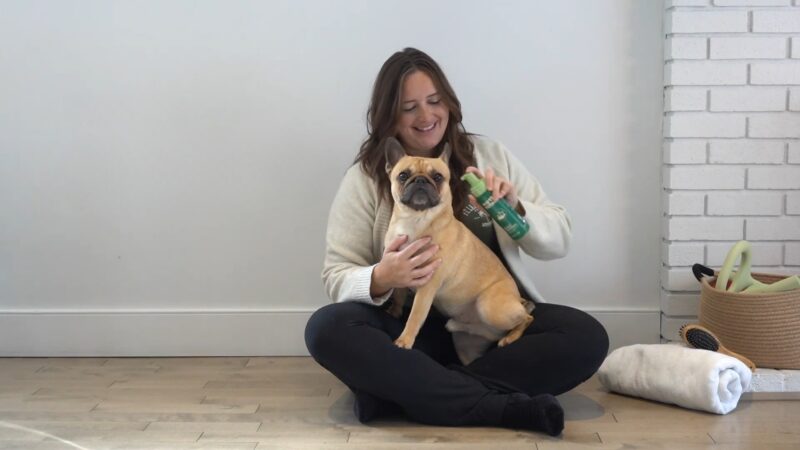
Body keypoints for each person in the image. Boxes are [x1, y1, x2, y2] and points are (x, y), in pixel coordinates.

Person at [305, 47, 608, 436]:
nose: (426, 115)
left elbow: (560, 238)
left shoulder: (489, 156)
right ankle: (499, 406)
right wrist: (383, 276)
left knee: (586, 337)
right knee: (326, 328)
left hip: (485, 321)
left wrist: (516, 209)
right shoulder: (365, 178)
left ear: (450, 102)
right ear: (389, 116)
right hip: (410, 332)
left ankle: (407, 392)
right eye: (409, 107)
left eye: (434, 101)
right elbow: (336, 274)